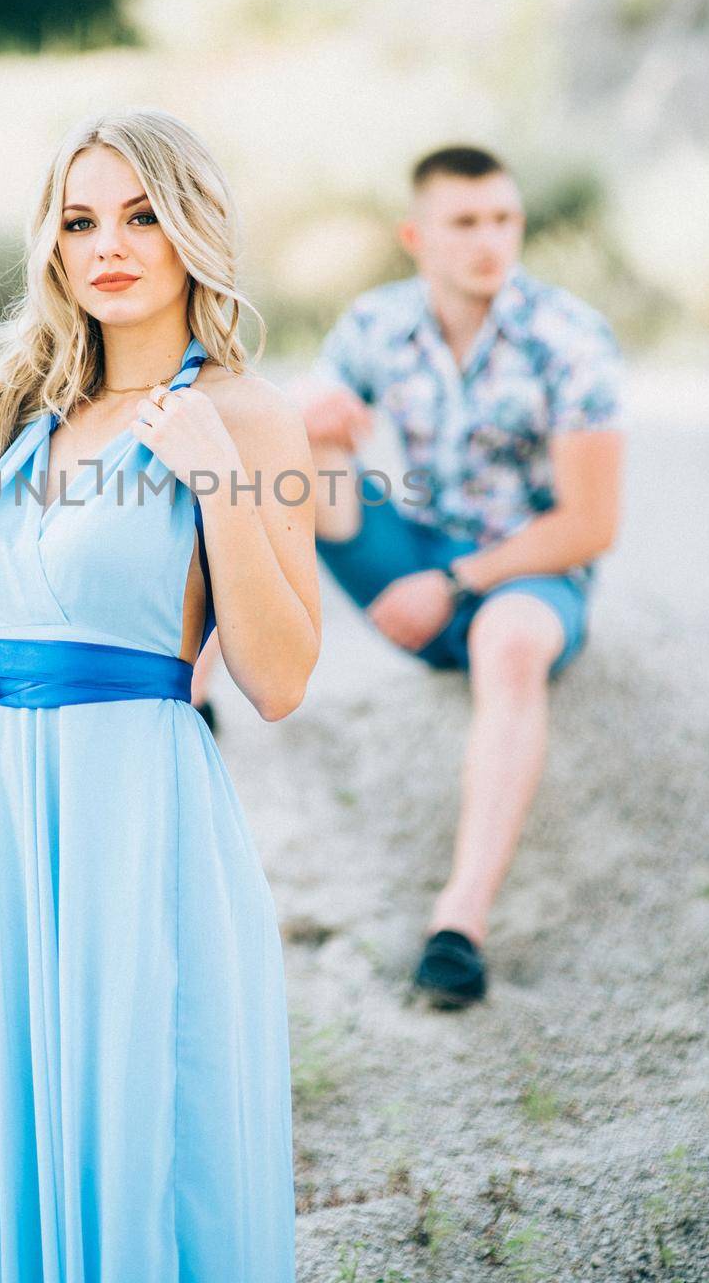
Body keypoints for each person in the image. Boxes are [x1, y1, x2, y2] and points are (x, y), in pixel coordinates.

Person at [0, 107, 319, 1281]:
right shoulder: (17, 415)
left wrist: (221, 480)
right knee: (2, 1165)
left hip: (138, 833)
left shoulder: (251, 414)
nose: (109, 243)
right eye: (81, 220)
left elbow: (280, 679)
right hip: (1, 848)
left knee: (143, 1155)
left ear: (191, 234)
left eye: (140, 215)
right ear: (53, 247)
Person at [193, 143, 625, 1008]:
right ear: (417, 236)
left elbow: (590, 524)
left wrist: (455, 584)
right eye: (464, 223)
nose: (489, 241)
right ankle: (194, 685)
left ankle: (458, 926)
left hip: (527, 579)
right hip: (415, 551)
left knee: (507, 644)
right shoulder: (380, 323)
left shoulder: (569, 338)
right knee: (295, 448)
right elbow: (282, 418)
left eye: (503, 220)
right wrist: (310, 412)